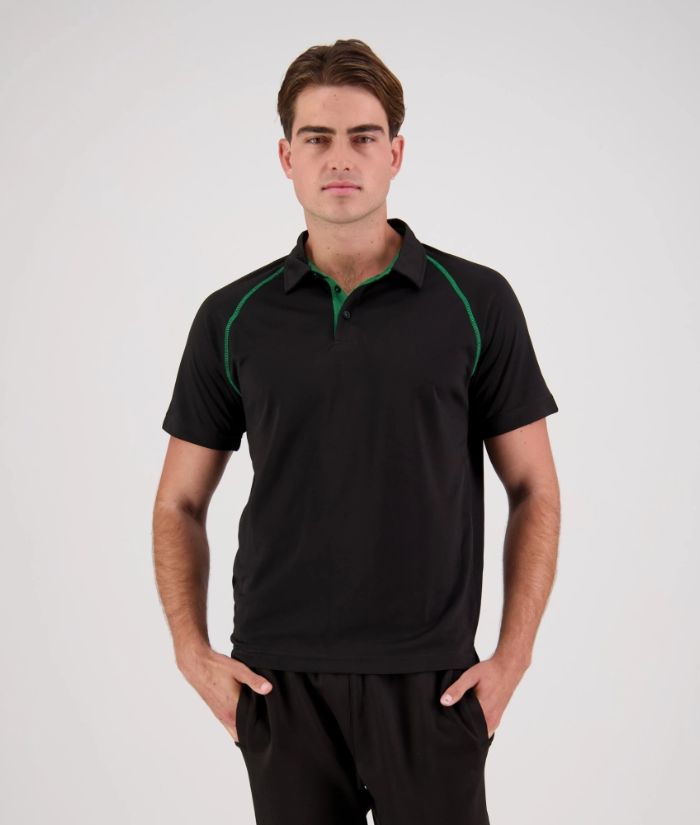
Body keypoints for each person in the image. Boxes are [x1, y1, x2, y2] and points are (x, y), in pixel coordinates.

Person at [153, 37, 560, 825]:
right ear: (287, 157)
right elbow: (178, 501)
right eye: (317, 138)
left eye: (363, 137)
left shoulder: (476, 302)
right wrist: (190, 650)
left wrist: (512, 659)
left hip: (434, 682)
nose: (340, 158)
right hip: (278, 681)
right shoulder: (233, 317)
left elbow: (534, 486)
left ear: (395, 153)